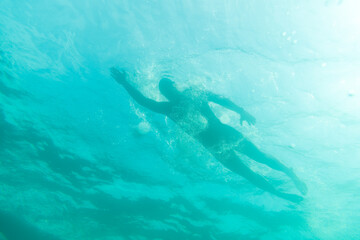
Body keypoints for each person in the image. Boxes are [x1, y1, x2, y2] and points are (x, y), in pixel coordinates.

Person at [111, 67, 307, 203]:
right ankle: (279, 193)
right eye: (165, 90)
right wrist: (124, 83)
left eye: (169, 87)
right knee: (247, 173)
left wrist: (241, 111)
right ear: (164, 94)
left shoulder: (193, 93)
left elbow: (219, 98)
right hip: (215, 148)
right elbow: (143, 101)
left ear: (175, 85)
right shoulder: (168, 108)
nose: (169, 91)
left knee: (261, 157)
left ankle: (291, 174)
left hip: (226, 134)